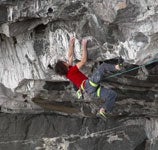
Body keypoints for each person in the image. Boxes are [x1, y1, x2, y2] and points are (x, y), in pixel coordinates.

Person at [54, 37, 122, 118]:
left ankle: (103, 109)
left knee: (112, 95)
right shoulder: (72, 70)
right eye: (64, 62)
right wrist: (84, 45)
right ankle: (117, 67)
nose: (65, 61)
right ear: (64, 66)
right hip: (88, 85)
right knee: (103, 67)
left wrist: (71, 45)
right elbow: (83, 61)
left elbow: (70, 56)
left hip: (90, 91)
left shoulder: (68, 74)